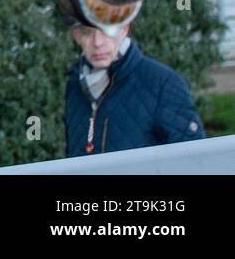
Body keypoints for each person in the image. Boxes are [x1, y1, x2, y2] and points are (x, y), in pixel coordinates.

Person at [63, 21, 205, 157]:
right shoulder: (75, 84)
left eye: (107, 31)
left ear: (124, 29)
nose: (98, 43)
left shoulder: (162, 82)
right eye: (88, 33)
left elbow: (193, 159)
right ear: (76, 35)